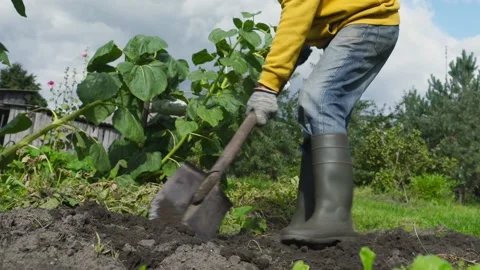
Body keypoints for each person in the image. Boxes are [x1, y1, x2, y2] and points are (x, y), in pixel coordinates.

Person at [246, 0, 400, 246]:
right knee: (315, 116)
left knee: (319, 100)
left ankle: (334, 216)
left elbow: (297, 11)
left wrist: (267, 85)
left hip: (368, 21)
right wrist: (303, 43)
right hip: (351, 23)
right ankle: (306, 217)